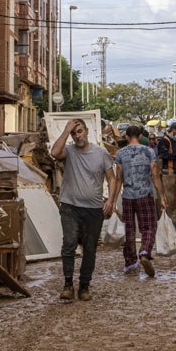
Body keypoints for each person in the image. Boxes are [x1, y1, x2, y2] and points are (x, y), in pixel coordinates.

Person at [50, 118, 119, 302]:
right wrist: (66, 131)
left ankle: (84, 286)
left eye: (79, 131)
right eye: (74, 133)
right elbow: (54, 152)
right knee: (69, 244)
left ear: (87, 131)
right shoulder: (69, 151)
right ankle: (67, 285)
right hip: (70, 207)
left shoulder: (101, 152)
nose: (77, 135)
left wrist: (111, 200)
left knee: (89, 249)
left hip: (94, 209)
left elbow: (111, 178)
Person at [111, 125, 166, 277]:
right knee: (149, 227)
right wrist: (161, 196)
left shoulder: (121, 153)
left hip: (128, 196)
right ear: (141, 135)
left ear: (127, 137)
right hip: (145, 194)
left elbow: (118, 178)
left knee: (129, 230)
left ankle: (130, 263)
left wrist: (113, 200)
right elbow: (155, 175)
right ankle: (144, 252)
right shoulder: (148, 151)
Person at [155, 122, 176, 227]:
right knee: (169, 202)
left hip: (173, 174)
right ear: (173, 129)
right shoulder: (164, 141)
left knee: (174, 202)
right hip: (168, 174)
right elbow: (163, 155)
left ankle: (173, 226)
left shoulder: (173, 142)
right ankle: (168, 225)